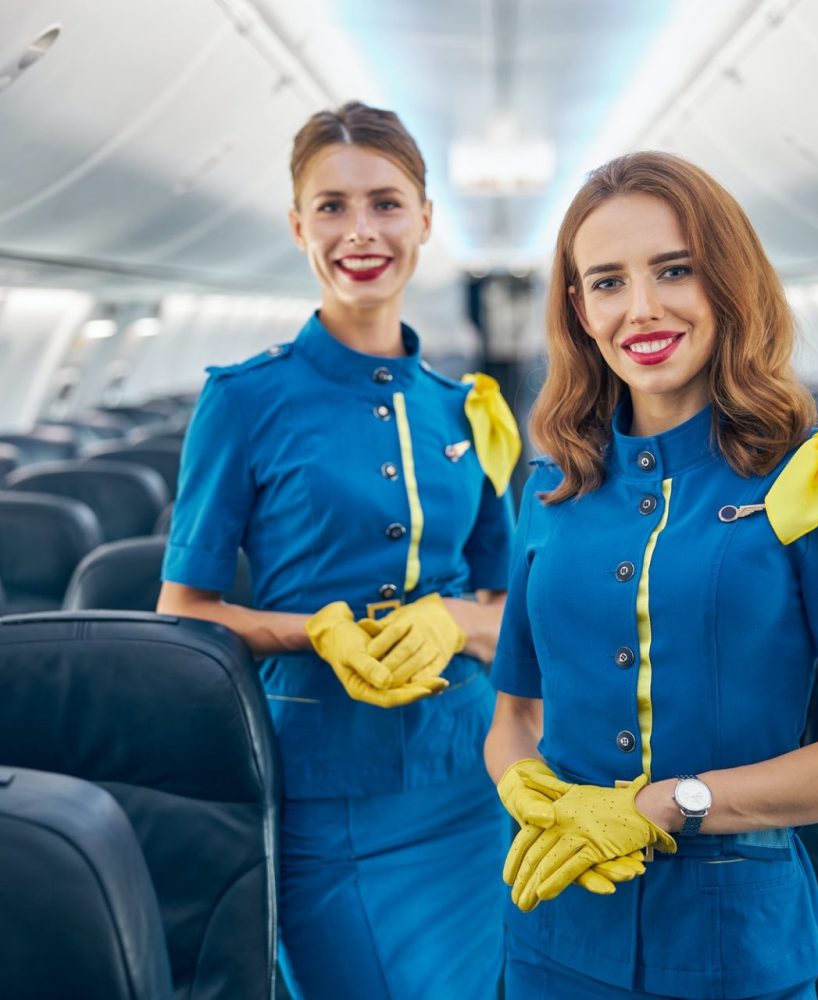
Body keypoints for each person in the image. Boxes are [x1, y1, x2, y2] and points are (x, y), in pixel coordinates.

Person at [484, 150, 818, 1000]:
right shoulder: (551, 488)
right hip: (554, 934)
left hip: (737, 954)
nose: (641, 309)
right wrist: (529, 792)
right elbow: (512, 715)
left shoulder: (817, 479)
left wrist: (660, 805)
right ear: (578, 309)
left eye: (674, 270)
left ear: (727, 280)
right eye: (608, 282)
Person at [158, 101, 519, 1000]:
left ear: (427, 220)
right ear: (297, 225)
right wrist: (312, 630)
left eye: (387, 204)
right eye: (331, 206)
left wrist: (456, 623)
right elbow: (185, 613)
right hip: (324, 787)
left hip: (470, 776)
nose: (361, 231)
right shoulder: (243, 400)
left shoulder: (464, 408)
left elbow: (513, 607)